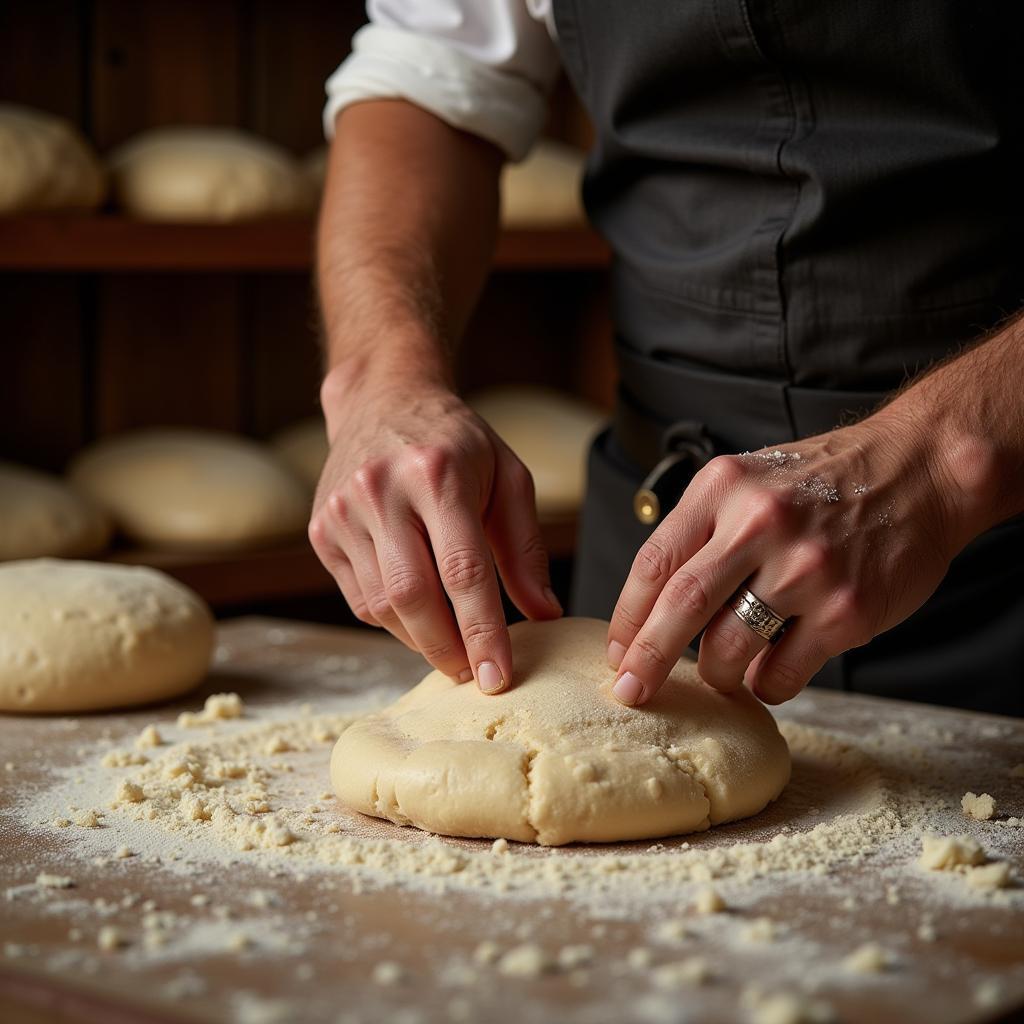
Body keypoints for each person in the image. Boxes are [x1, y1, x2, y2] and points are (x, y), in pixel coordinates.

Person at [308, 1, 1024, 717]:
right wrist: (380, 378)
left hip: (995, 557)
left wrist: (940, 458)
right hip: (658, 540)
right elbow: (431, 78)